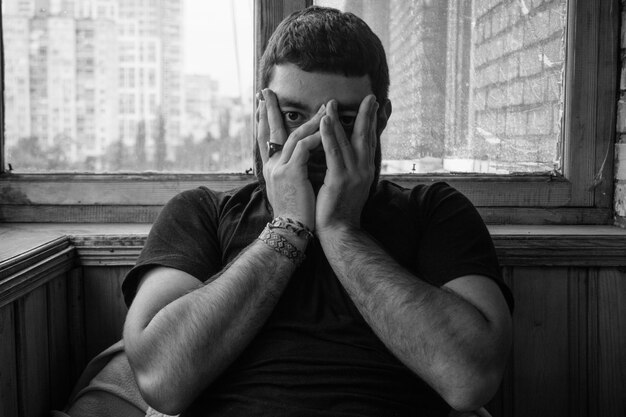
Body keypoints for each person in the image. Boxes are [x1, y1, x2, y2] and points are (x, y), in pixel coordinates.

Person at [122, 6, 513, 416]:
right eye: (292, 116)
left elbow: (473, 378)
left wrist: (341, 231)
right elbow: (159, 379)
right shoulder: (200, 213)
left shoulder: (435, 211)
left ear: (379, 121)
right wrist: (288, 228)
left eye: (343, 120)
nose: (314, 142)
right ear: (261, 116)